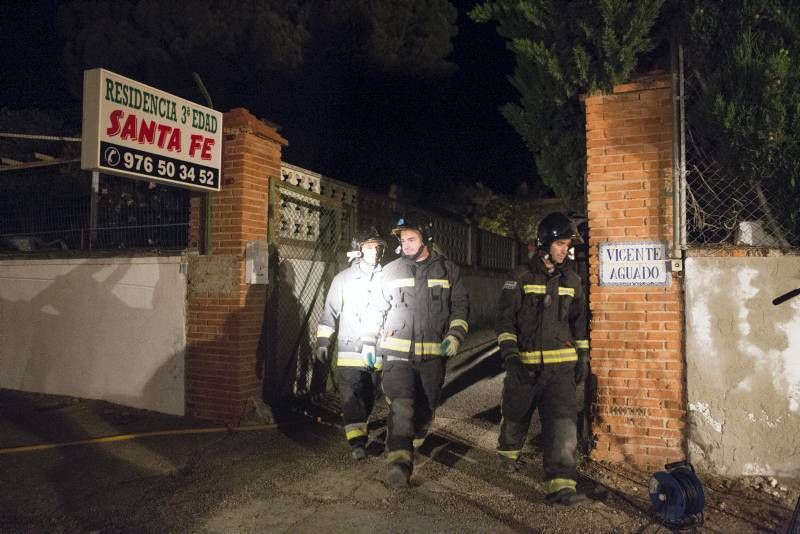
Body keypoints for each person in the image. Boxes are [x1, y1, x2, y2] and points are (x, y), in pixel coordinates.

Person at [366, 214, 469, 488]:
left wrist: (455, 335)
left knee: (425, 408)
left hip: (432, 357)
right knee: (401, 405)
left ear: (426, 239)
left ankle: (413, 438)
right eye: (402, 240)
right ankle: (399, 462)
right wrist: (371, 346)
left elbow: (460, 307)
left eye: (411, 239)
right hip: (396, 355)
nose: (406, 244)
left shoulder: (448, 270)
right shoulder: (391, 271)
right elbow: (376, 310)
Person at [495, 212, 590, 506]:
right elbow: (505, 320)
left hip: (560, 369)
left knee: (563, 423)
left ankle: (561, 485)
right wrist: (511, 356)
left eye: (567, 245)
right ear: (546, 243)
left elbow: (579, 321)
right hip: (524, 366)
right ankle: (508, 451)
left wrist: (583, 356)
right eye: (561, 244)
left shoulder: (572, 280)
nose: (566, 250)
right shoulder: (520, 277)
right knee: (516, 415)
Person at [315, 226, 386, 461]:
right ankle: (357, 442)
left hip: (377, 352)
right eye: (369, 247)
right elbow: (329, 314)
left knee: (368, 396)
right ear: (358, 250)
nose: (374, 252)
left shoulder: (388, 278)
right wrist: (323, 342)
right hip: (348, 351)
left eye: (378, 247)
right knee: (350, 398)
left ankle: (360, 426)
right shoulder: (342, 279)